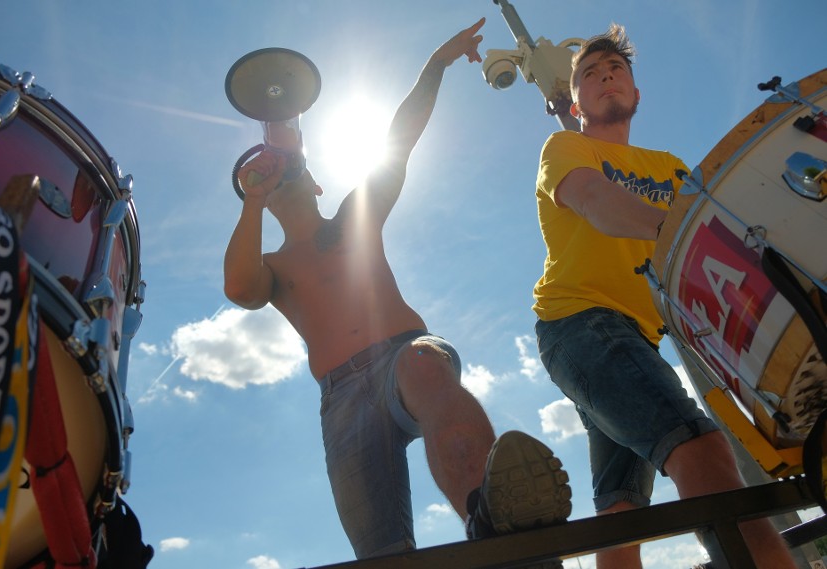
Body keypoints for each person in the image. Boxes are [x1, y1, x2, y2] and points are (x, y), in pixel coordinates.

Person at [224, 19, 572, 562]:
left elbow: (400, 138)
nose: (282, 176)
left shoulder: (351, 219)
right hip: (340, 399)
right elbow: (241, 290)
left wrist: (435, 64)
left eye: (293, 168)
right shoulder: (274, 264)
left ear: (317, 181)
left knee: (425, 368)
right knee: (381, 550)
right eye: (271, 175)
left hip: (401, 353)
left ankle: (497, 524)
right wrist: (251, 199)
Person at [531, 23, 795, 569]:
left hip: (637, 338)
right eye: (590, 75)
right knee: (702, 449)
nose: (605, 78)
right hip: (579, 324)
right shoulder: (564, 147)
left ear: (636, 94)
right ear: (575, 102)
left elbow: (719, 250)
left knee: (622, 510)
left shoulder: (670, 168)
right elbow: (599, 206)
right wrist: (690, 233)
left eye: (616, 70)